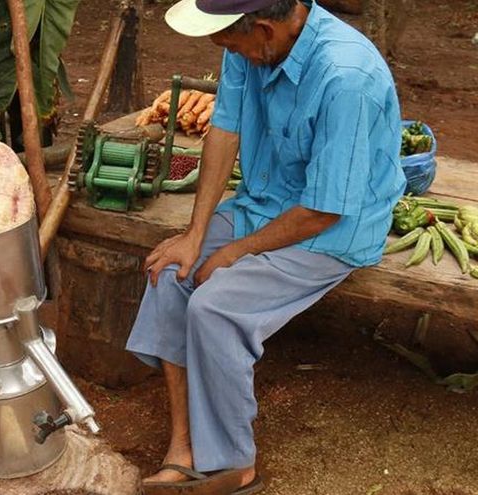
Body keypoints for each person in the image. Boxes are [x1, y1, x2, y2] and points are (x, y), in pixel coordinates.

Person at [125, 0, 406, 493]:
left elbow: (325, 209)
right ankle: (184, 446)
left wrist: (235, 252)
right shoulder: (251, 44)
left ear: (264, 30)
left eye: (235, 46)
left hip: (333, 229)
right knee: (170, 273)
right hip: (265, 203)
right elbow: (224, 130)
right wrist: (195, 236)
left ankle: (234, 463)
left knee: (216, 306)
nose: (232, 54)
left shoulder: (346, 77)